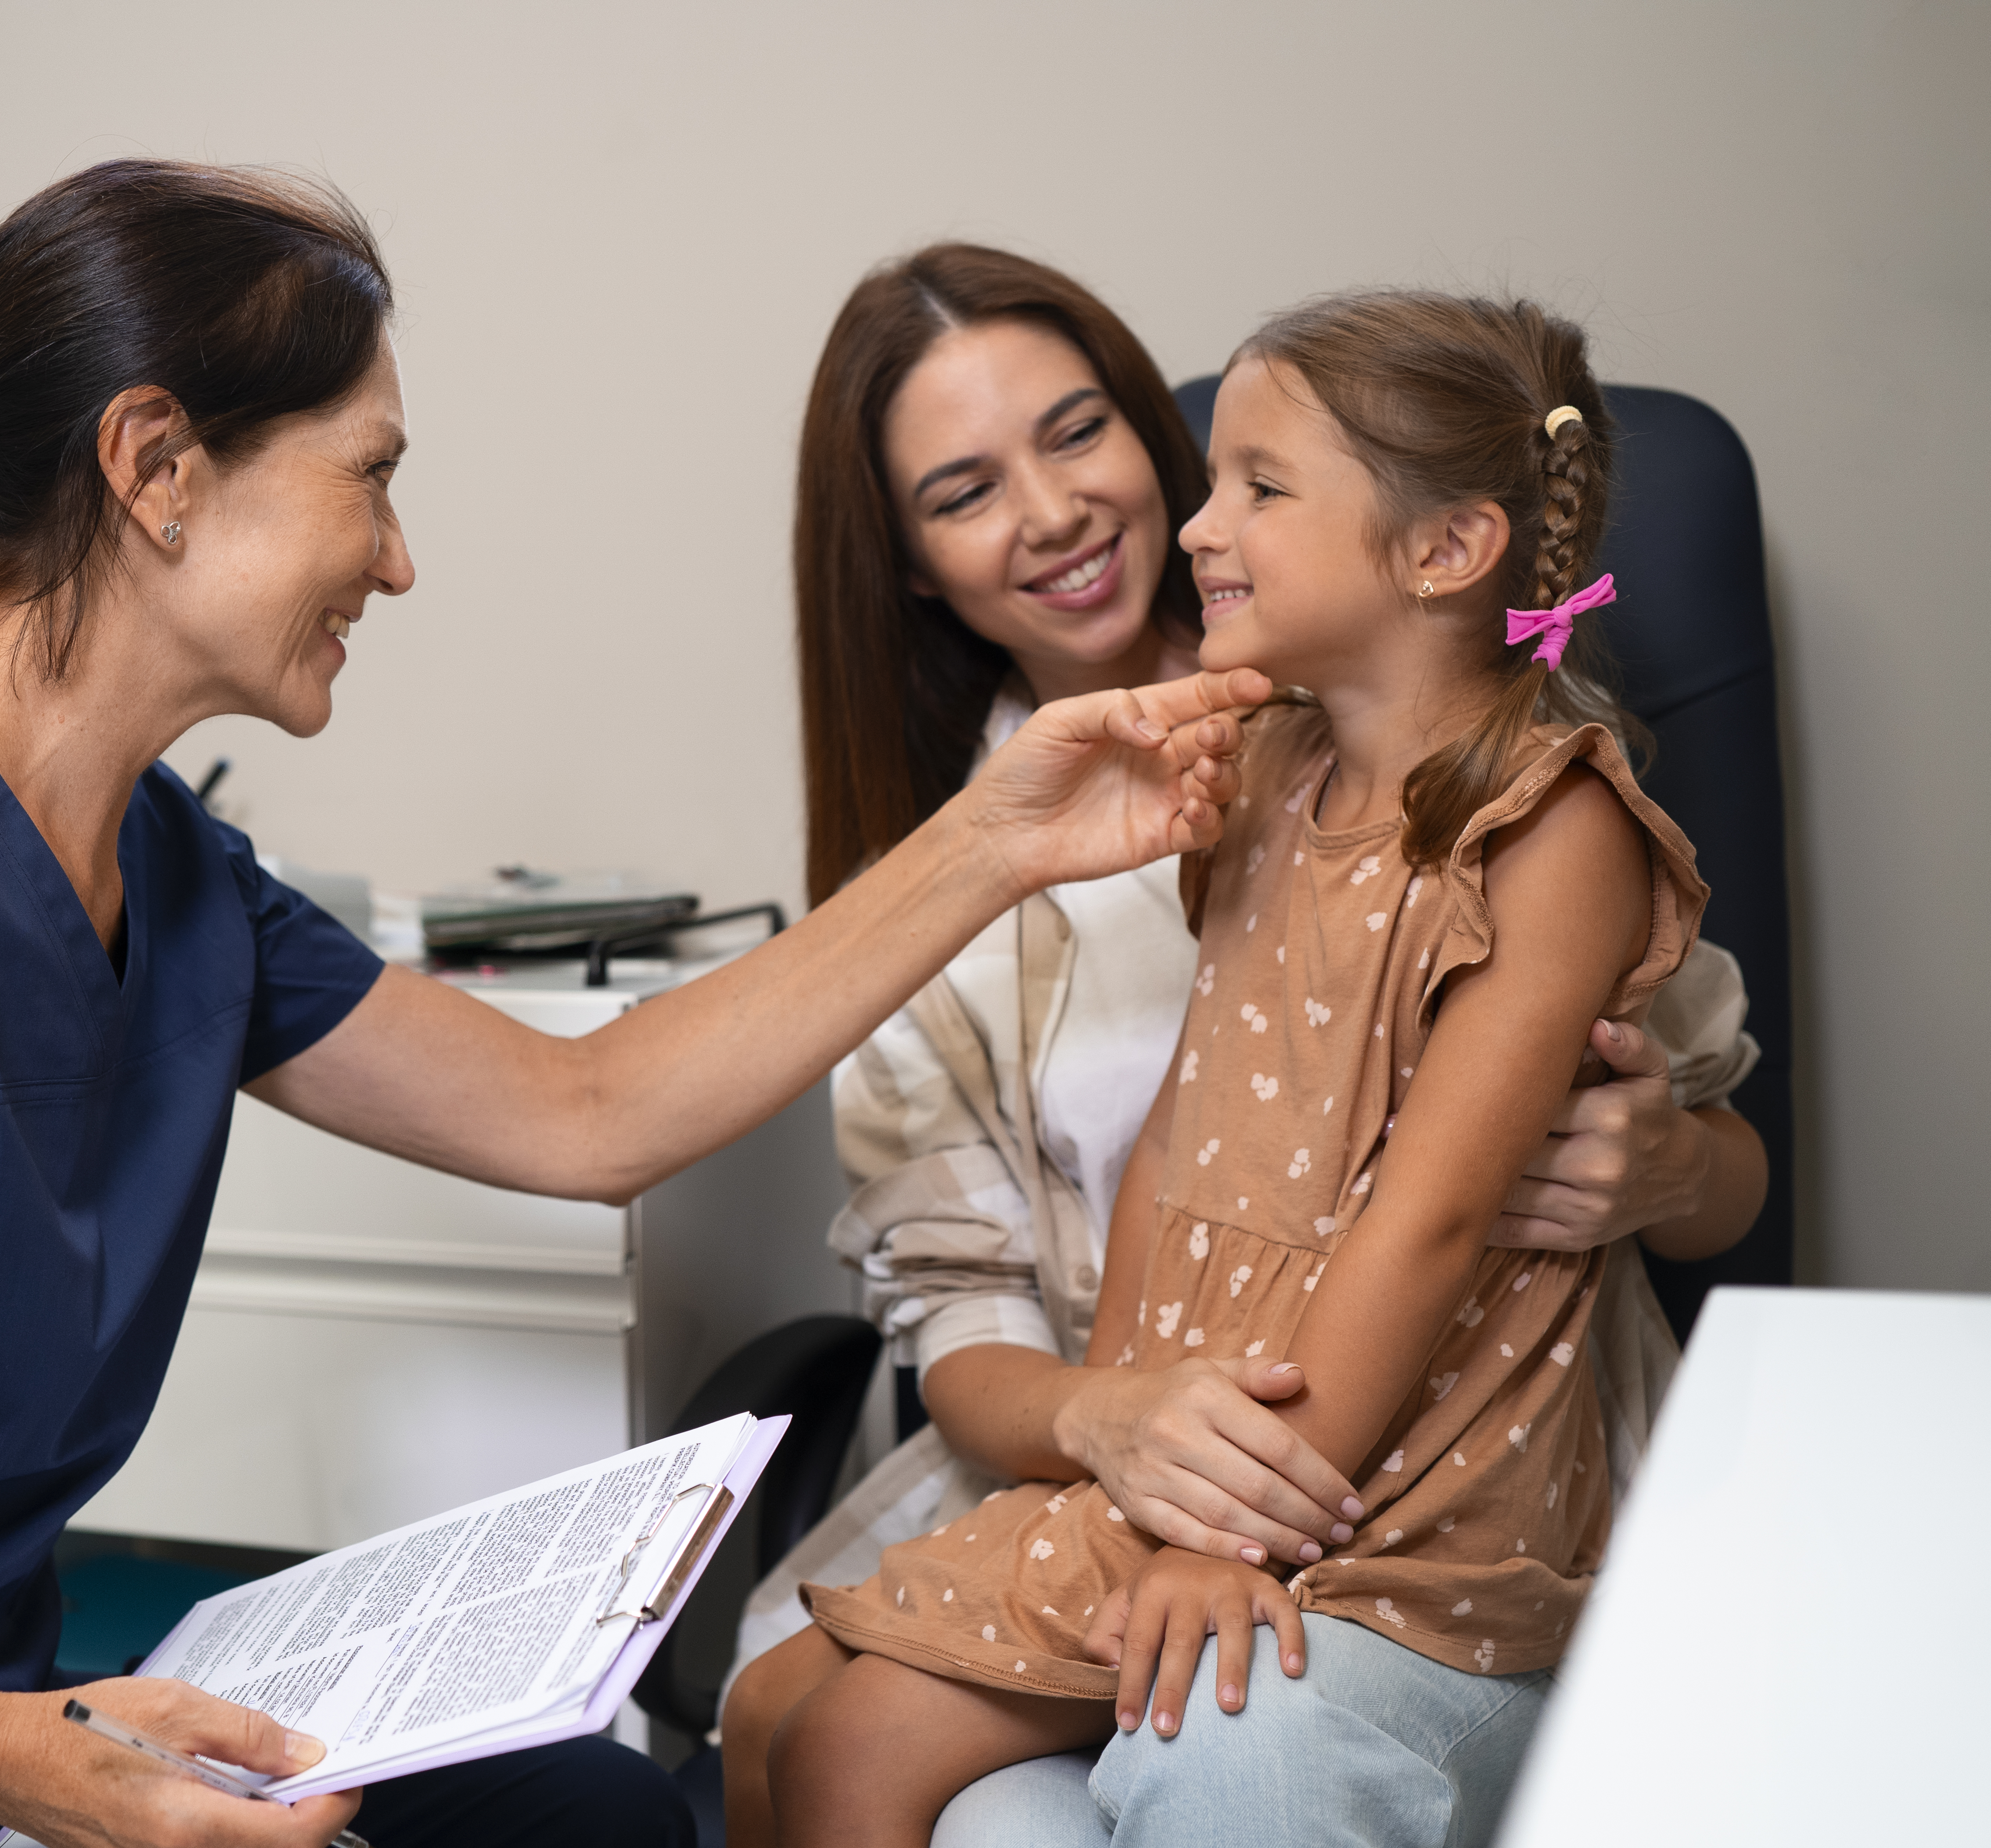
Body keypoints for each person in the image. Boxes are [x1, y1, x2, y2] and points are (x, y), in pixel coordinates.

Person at [0, 163, 1268, 1848]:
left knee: (586, 1810)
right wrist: (19, 1753)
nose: (398, 561)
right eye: (371, 479)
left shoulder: (170, 872)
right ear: (156, 468)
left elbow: (586, 1113)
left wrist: (996, 836)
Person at [720, 248, 1766, 1846]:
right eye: (964, 490)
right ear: (909, 564)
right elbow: (1154, 1161)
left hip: (1386, 1476)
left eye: (1078, 433)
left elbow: (1452, 1214)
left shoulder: (1522, 816)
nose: (1060, 513)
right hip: (1150, 1438)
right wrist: (1123, 1434)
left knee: (856, 1745)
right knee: (778, 1718)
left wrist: (1674, 1162)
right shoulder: (1253, 774)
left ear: (1443, 547)